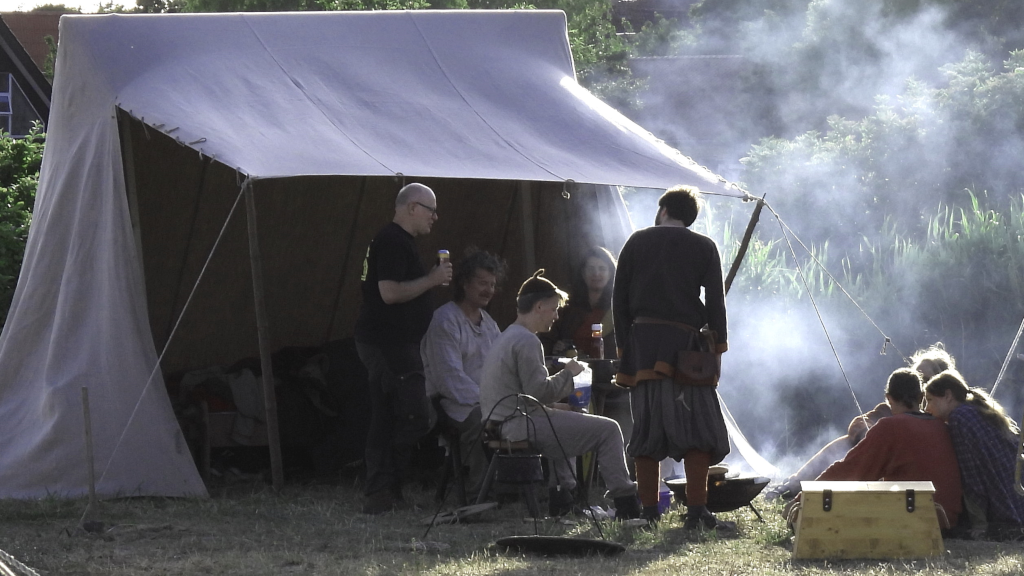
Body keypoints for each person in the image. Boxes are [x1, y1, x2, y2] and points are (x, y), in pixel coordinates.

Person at [613, 185, 730, 529]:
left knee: (647, 428)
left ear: (663, 210)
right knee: (697, 429)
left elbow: (619, 302)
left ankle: (650, 512)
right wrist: (718, 347)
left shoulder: (636, 241)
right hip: (687, 349)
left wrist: (625, 350)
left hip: (644, 348)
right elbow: (716, 304)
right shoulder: (705, 246)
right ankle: (696, 510)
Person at [479, 270, 641, 519]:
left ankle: (563, 498)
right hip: (516, 425)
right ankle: (626, 503)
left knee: (571, 420)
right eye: (554, 309)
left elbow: (523, 395)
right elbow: (540, 392)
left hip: (501, 422)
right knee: (609, 429)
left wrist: (560, 407)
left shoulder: (507, 336)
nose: (556, 316)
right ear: (539, 306)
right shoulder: (527, 341)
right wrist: (569, 373)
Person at [354, 182, 453, 515]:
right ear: (412, 207)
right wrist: (432, 279)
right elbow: (389, 293)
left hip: (396, 344)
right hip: (386, 343)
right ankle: (381, 490)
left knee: (401, 415)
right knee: (405, 415)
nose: (435, 217)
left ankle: (388, 490)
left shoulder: (399, 241)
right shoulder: (392, 241)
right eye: (431, 210)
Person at [766, 344, 956, 500]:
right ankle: (795, 484)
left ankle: (806, 492)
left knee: (856, 461)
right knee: (847, 444)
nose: (922, 385)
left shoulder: (947, 422)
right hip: (910, 494)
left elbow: (854, 468)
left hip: (916, 498)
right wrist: (871, 436)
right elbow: (859, 425)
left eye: (927, 380)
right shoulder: (890, 414)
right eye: (918, 378)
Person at [785, 368, 963, 530]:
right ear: (921, 397)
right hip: (947, 519)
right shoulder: (942, 426)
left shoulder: (890, 427)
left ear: (889, 398)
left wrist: (802, 500)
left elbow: (850, 470)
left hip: (914, 520)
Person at [420, 250, 506, 496]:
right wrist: (490, 401)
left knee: (521, 417)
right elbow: (449, 379)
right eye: (482, 283)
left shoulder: (489, 324)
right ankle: (481, 491)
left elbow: (503, 366)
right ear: (465, 283)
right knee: (483, 419)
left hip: (490, 400)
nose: (488, 290)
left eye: (492, 284)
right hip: (453, 404)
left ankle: (514, 484)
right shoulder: (445, 320)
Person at [539, 246, 633, 463]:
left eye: (602, 268)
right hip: (571, 374)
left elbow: (625, 344)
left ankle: (600, 467)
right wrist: (559, 346)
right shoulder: (567, 308)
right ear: (582, 273)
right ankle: (574, 465)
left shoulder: (619, 307)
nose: (596, 274)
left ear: (610, 273)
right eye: (591, 268)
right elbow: (549, 338)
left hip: (607, 376)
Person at [925, 369, 1024, 537]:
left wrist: (979, 523)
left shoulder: (959, 418)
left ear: (948, 395)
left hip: (1004, 506)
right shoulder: (975, 410)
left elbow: (972, 474)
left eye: (930, 400)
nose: (927, 408)